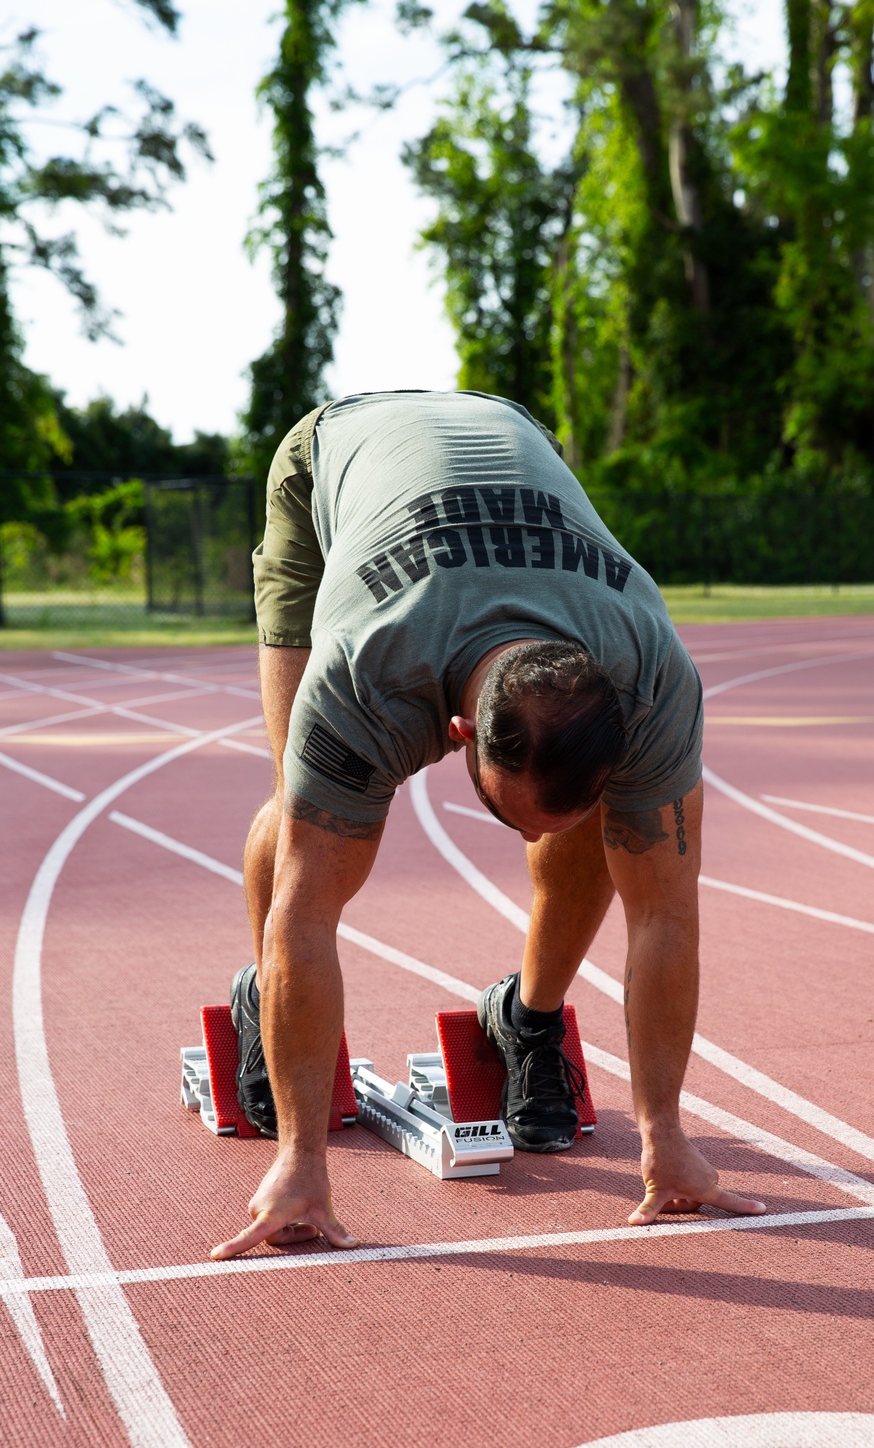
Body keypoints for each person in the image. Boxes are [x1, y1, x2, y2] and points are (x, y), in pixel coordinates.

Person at [211, 390, 765, 1261]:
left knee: (625, 847)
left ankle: (527, 1022)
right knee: (297, 819)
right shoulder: (368, 677)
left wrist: (666, 1136)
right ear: (457, 737)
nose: (535, 842)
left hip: (506, 433)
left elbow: (666, 912)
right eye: (521, 819)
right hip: (335, 455)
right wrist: (299, 1160)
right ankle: (265, 1005)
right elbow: (308, 911)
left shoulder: (652, 673)